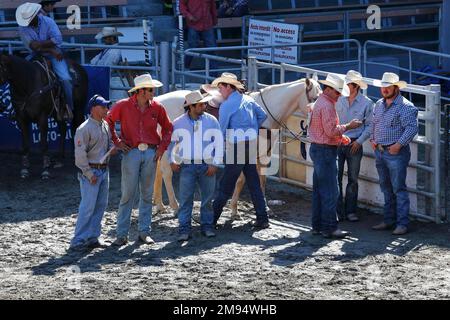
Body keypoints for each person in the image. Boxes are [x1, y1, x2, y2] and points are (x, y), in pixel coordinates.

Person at [106, 74, 173, 246]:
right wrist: (117, 142)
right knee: (129, 194)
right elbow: (108, 121)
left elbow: (168, 128)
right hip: (134, 152)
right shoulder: (124, 106)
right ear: (141, 91)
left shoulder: (156, 107)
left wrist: (161, 148)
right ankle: (124, 234)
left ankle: (141, 232)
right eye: (150, 89)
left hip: (148, 152)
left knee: (145, 194)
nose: (153, 92)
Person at [211, 72, 270, 229]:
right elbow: (262, 115)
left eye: (221, 87)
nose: (219, 91)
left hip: (237, 146)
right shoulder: (249, 100)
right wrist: (252, 129)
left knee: (226, 184)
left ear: (229, 87)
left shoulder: (227, 105)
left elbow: (221, 129)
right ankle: (263, 218)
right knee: (253, 182)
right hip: (250, 144)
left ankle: (211, 219)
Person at [308, 73, 363, 239]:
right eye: (338, 92)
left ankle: (318, 225)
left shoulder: (320, 102)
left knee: (319, 190)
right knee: (331, 191)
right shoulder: (327, 106)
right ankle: (330, 227)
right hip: (325, 151)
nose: (340, 95)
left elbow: (326, 131)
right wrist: (349, 126)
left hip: (318, 148)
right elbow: (331, 130)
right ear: (329, 89)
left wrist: (339, 137)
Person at [168, 90, 223, 241]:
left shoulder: (211, 120)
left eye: (204, 104)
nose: (203, 106)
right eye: (200, 105)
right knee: (186, 199)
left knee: (207, 199)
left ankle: (206, 226)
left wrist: (215, 163)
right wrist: (172, 160)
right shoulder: (178, 123)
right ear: (191, 107)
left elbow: (219, 142)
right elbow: (171, 144)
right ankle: (185, 228)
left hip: (206, 164)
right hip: (188, 165)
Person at [371, 72, 418, 235]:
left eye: (388, 87)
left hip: (395, 153)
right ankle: (389, 220)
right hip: (381, 151)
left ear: (396, 88)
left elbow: (412, 128)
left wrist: (398, 145)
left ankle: (402, 223)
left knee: (398, 188)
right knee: (386, 188)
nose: (384, 90)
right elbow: (374, 122)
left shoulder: (406, 106)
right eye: (383, 87)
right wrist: (372, 138)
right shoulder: (378, 104)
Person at [70, 95, 116, 251]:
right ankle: (78, 239)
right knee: (88, 207)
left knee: (100, 205)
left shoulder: (104, 125)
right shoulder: (84, 129)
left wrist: (113, 148)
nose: (106, 109)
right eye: (103, 107)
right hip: (92, 171)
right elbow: (80, 156)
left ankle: (92, 237)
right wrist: (89, 173)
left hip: (103, 170)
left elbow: (109, 144)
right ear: (94, 108)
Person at [16, 2, 73, 118]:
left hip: (52, 52)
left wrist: (46, 47)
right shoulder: (22, 28)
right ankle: (19, 107)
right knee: (20, 73)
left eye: (30, 18)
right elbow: (33, 46)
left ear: (36, 15)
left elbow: (57, 39)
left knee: (65, 79)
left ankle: (68, 107)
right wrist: (51, 48)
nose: (28, 22)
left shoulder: (48, 22)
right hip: (38, 54)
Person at [336, 70, 374, 222]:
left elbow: (370, 126)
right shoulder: (338, 99)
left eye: (348, 84)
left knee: (352, 178)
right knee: (337, 178)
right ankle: (339, 210)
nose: (345, 86)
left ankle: (350, 211)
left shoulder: (367, 103)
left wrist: (359, 141)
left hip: (354, 143)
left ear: (355, 86)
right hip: (339, 141)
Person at [180, 0, 218, 70]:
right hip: (194, 23)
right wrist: (189, 16)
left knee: (212, 48)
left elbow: (212, 6)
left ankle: (213, 73)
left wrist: (214, 20)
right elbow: (182, 5)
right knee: (192, 47)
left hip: (207, 23)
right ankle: (185, 66)